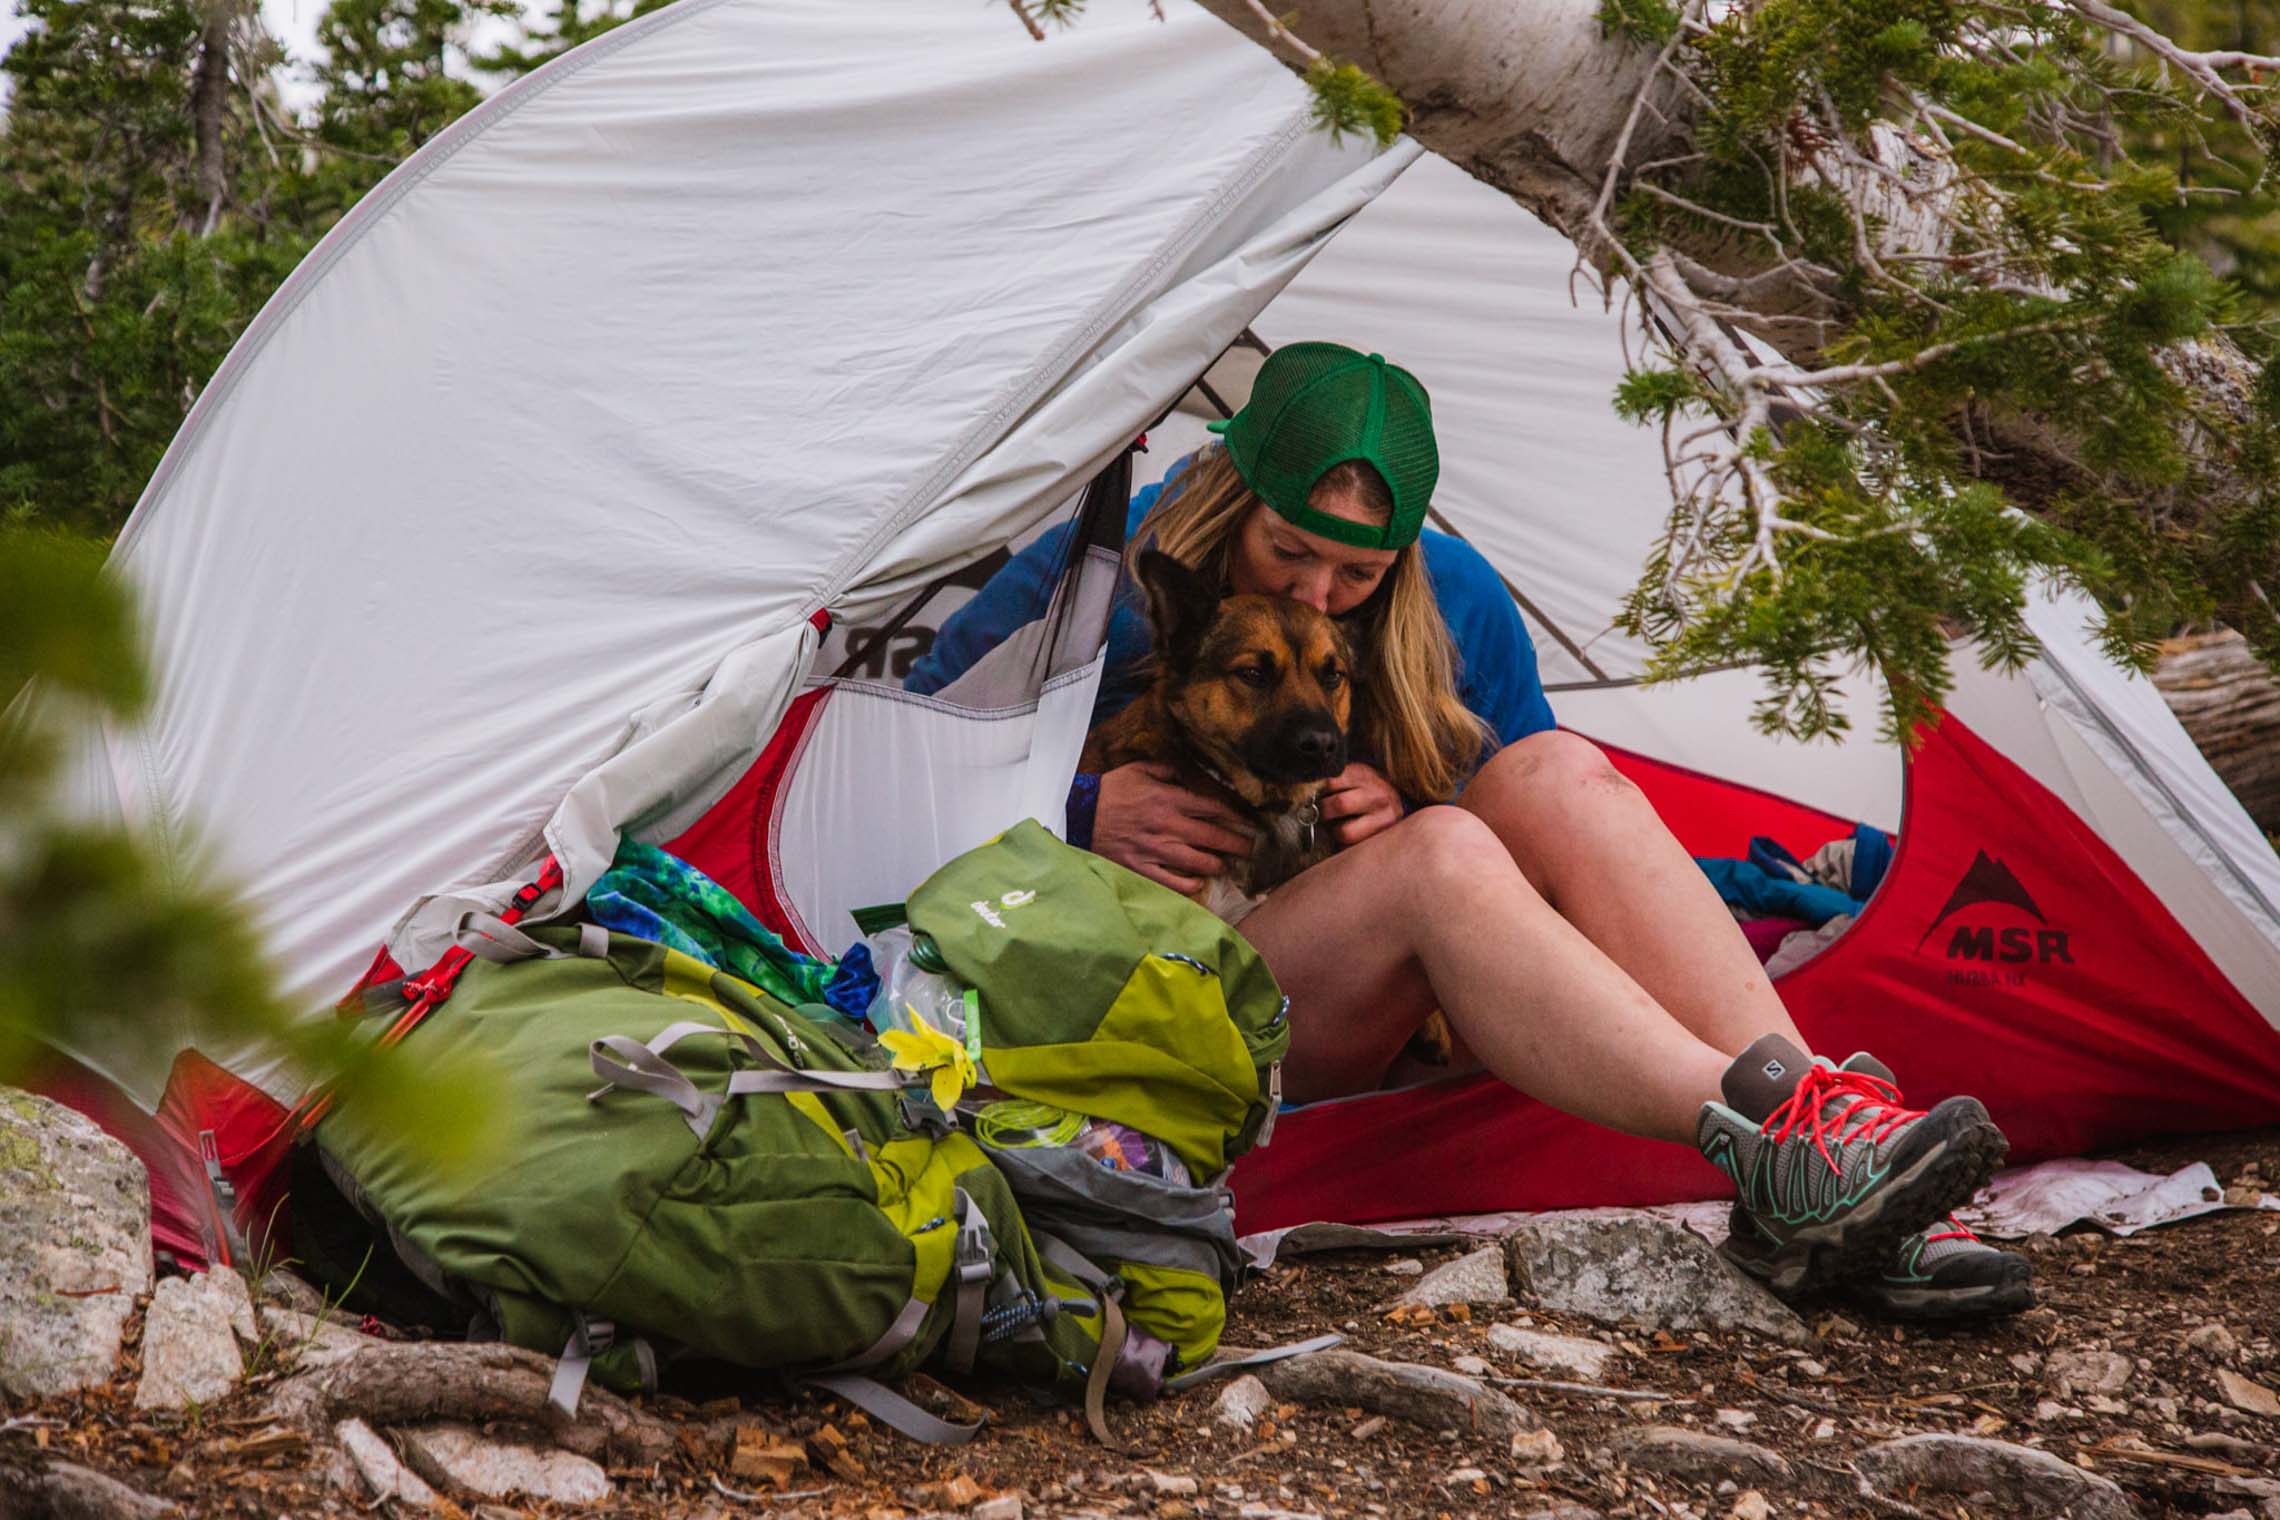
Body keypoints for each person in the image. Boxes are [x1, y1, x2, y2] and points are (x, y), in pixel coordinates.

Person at [910, 342, 2030, 1318]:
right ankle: (1788, 1155)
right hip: (1179, 995)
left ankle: (1824, 1128)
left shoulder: (1454, 595)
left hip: (1351, 974)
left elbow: (1553, 864)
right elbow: (899, 752)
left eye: (1361, 568)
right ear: (1233, 491)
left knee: (1548, 772)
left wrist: (1419, 810)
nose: (1324, 589)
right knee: (1443, 858)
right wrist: (1081, 806)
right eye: (1290, 549)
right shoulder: (1099, 579)